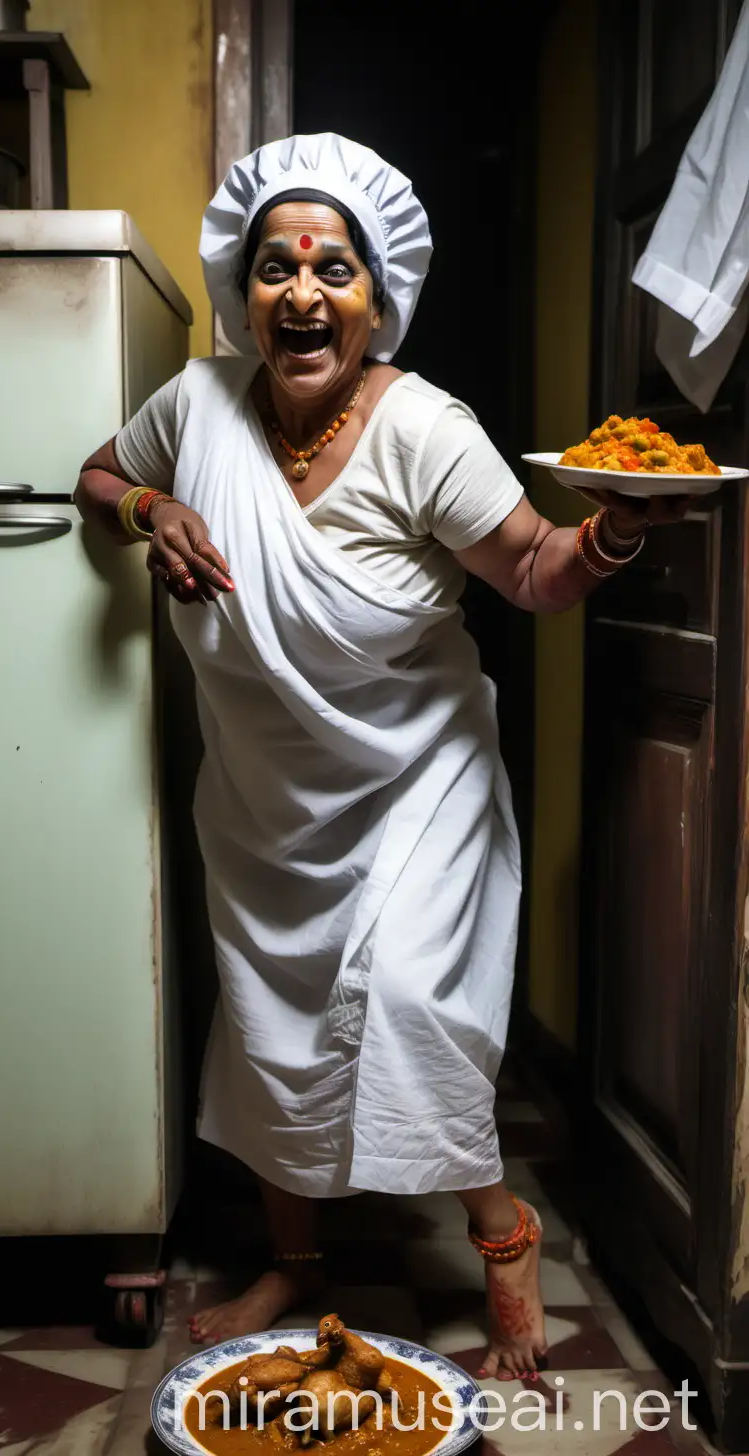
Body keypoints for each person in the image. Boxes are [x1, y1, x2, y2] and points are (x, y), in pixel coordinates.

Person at [75, 133, 688, 1380]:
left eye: (335, 269)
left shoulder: (424, 427)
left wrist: (613, 535)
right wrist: (154, 507)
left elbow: (528, 569)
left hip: (416, 783)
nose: (303, 293)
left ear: (377, 294)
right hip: (262, 798)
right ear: (244, 290)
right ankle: (296, 1263)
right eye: (275, 268)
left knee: (411, 1009)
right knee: (269, 1030)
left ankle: (501, 1235)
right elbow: (96, 476)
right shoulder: (192, 407)